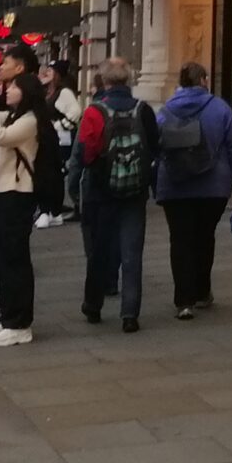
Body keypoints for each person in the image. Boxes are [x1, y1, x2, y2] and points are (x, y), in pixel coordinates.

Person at [153, 63, 232, 321]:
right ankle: (202, 291)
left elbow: (156, 145)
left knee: (180, 240)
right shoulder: (220, 108)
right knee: (205, 237)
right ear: (204, 80)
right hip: (213, 186)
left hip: (174, 185)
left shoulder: (165, 110)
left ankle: (184, 300)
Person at [0, 60, 48, 347]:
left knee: (15, 259)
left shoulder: (29, 120)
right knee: (2, 257)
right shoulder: (14, 115)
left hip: (18, 195)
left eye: (14, 86)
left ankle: (20, 323)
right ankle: (9, 317)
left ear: (26, 92)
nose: (8, 89)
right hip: (1, 192)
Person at [77, 58, 155, 330]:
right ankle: (130, 314)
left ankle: (93, 305)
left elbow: (87, 152)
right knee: (132, 253)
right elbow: (154, 147)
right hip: (135, 192)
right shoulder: (143, 109)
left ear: (105, 82)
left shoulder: (94, 111)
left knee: (100, 251)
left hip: (102, 191)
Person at [41, 62, 84, 228]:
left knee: (56, 171)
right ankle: (49, 208)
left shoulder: (64, 92)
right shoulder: (48, 92)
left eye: (50, 71)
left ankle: (55, 208)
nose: (46, 73)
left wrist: (59, 126)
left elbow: (75, 112)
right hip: (49, 137)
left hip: (61, 138)